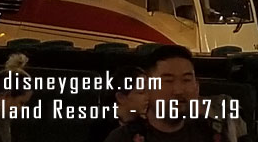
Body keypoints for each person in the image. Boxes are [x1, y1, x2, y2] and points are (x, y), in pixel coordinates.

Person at [104, 46, 247, 142]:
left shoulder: (213, 134)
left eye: (186, 80)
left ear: (196, 87)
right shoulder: (124, 138)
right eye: (168, 81)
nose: (178, 90)